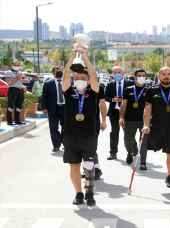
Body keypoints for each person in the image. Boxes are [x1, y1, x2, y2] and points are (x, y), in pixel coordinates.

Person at [61, 47, 99, 206]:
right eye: (77, 77)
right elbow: (65, 76)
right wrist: (72, 56)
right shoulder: (69, 92)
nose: (80, 79)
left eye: (83, 77)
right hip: (70, 135)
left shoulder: (94, 92)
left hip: (89, 135)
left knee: (89, 165)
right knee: (74, 165)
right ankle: (78, 194)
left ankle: (89, 192)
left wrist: (85, 57)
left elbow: (94, 75)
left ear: (88, 80)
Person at [142, 67, 170, 187]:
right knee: (151, 146)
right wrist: (146, 125)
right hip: (156, 126)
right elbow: (147, 109)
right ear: (159, 75)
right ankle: (141, 161)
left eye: (169, 74)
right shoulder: (151, 90)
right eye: (163, 74)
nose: (166, 76)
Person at [119, 69, 150, 169]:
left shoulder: (149, 90)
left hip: (143, 120)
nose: (141, 77)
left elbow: (151, 107)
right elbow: (123, 105)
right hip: (129, 119)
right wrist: (121, 117)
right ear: (135, 77)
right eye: (139, 75)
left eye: (143, 75)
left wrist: (150, 120)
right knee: (128, 140)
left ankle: (143, 162)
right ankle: (130, 152)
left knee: (144, 141)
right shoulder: (128, 89)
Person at [105, 66, 130, 160]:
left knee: (128, 133)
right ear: (112, 74)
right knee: (114, 132)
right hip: (114, 112)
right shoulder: (110, 84)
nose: (117, 74)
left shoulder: (129, 83)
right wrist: (112, 99)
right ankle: (113, 153)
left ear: (123, 73)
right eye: (115, 73)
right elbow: (106, 96)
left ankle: (131, 151)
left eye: (119, 72)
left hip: (126, 112)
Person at [42, 66, 65, 152]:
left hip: (65, 108)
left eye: (60, 70)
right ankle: (56, 145)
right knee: (53, 128)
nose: (59, 71)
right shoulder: (48, 83)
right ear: (53, 73)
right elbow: (44, 96)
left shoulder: (67, 82)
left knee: (66, 127)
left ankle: (65, 143)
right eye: (57, 70)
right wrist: (44, 107)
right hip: (53, 108)